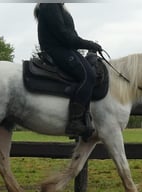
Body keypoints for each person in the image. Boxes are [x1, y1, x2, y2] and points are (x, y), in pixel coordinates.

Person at [34, 3, 102, 137]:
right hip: (56, 50)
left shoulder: (60, 8)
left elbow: (72, 36)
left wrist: (87, 45)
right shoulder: (50, 6)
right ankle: (75, 122)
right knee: (89, 76)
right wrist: (89, 44)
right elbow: (65, 36)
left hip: (66, 50)